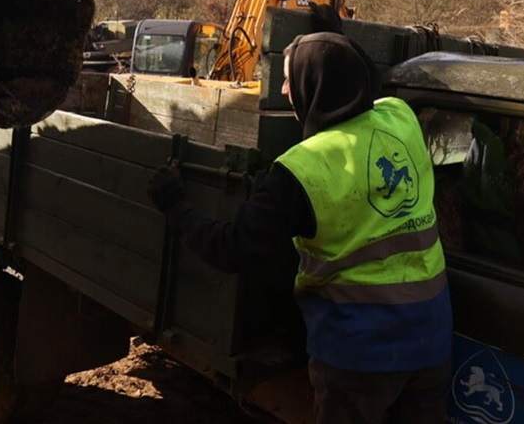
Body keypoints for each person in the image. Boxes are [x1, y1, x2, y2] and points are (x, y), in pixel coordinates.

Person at [148, 31, 452, 423]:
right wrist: (330, 38)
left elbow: (230, 249)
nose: (287, 90)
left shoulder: (302, 170)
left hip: (361, 354)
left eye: (291, 79)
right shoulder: (401, 116)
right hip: (431, 337)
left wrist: (175, 205)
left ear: (315, 86)